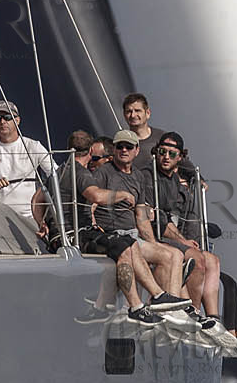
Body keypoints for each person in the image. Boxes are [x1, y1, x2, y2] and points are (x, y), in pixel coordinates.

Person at [146, 132, 237, 359]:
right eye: (162, 152)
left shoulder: (177, 184)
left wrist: (194, 180)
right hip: (159, 239)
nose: (166, 157)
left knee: (219, 268)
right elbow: (158, 220)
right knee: (199, 261)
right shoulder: (149, 178)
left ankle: (217, 323)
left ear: (179, 158)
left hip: (175, 239)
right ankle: (194, 314)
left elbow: (177, 214)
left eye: (172, 154)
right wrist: (183, 241)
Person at [77, 130, 192, 325]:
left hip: (133, 234)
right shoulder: (104, 171)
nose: (123, 150)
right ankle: (156, 300)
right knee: (136, 250)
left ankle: (169, 309)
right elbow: (93, 200)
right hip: (113, 236)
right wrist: (116, 199)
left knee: (174, 255)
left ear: (137, 150)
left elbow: (141, 216)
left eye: (128, 147)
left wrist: (154, 243)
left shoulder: (138, 176)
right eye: (119, 146)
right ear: (113, 149)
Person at [0, 101, 55, 232]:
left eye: (7, 117)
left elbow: (55, 174)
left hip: (31, 218)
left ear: (17, 120)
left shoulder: (33, 146)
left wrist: (43, 207)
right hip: (0, 219)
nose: (2, 122)